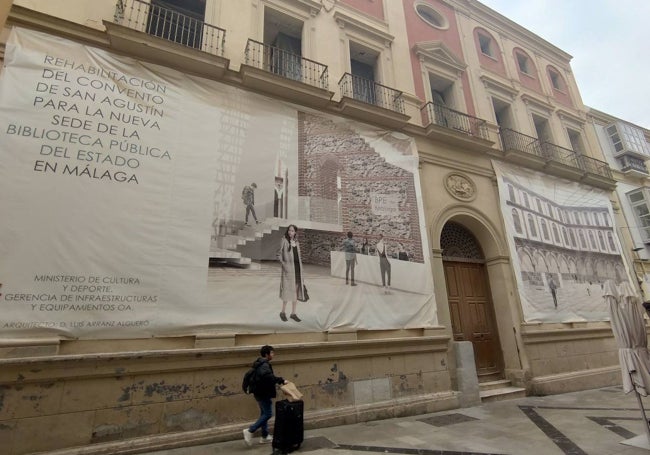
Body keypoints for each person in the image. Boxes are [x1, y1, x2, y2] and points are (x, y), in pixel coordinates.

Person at [243, 345, 287, 446]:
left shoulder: (259, 363)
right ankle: (250, 430)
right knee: (268, 414)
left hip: (258, 392)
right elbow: (269, 377)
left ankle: (265, 436)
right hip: (263, 393)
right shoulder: (264, 365)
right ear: (267, 354)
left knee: (264, 413)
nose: (273, 354)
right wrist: (282, 380)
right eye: (272, 353)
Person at [277, 224, 306, 322]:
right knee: (287, 290)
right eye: (289, 230)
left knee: (296, 292)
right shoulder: (284, 241)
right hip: (288, 270)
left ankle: (293, 313)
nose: (290, 232)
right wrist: (284, 265)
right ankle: (282, 312)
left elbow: (299, 256)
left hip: (297, 270)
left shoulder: (296, 242)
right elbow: (278, 254)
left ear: (295, 232)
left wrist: (301, 268)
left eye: (292, 231)